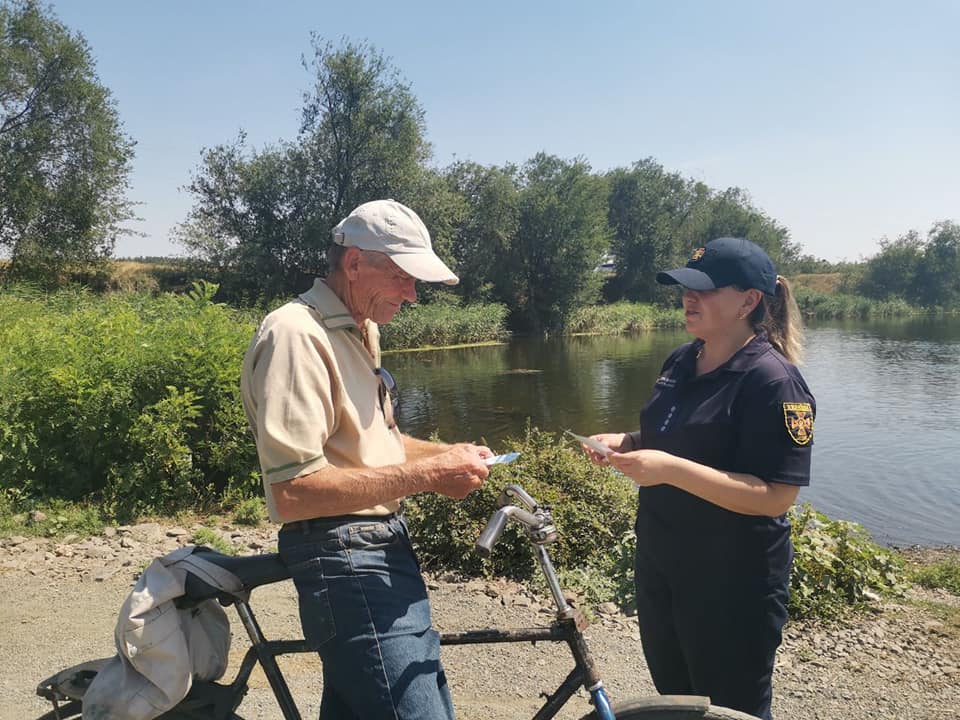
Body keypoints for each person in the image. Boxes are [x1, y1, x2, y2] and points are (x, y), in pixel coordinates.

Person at [240, 199, 492, 720]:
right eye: (402, 277)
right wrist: (429, 475)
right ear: (354, 264)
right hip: (344, 558)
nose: (413, 294)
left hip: (382, 550)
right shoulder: (296, 334)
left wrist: (449, 455)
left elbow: (378, 445)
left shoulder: (361, 329)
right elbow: (293, 491)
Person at [581, 237, 815, 720]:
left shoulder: (773, 382)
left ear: (749, 301)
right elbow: (675, 434)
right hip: (664, 569)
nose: (689, 298)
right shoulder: (682, 360)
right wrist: (628, 441)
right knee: (678, 706)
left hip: (732, 585)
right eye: (685, 288)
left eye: (704, 290)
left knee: (731, 712)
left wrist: (668, 469)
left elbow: (776, 497)